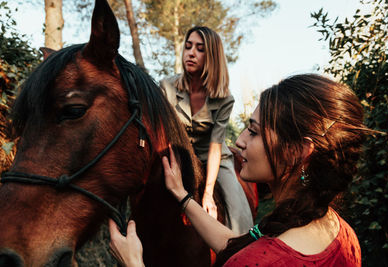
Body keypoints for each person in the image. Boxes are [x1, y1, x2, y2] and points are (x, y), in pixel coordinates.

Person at [109, 74, 366, 266]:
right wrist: (182, 195)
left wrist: (134, 264)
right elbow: (236, 245)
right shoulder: (342, 232)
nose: (240, 141)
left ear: (298, 152)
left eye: (253, 132)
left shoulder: (253, 262)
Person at [159, 26, 253, 234]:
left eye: (200, 49)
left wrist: (208, 193)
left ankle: (243, 248)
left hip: (214, 158)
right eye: (188, 46)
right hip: (177, 154)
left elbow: (215, 147)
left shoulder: (225, 98)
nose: (191, 53)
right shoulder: (166, 87)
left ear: (212, 56)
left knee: (240, 214)